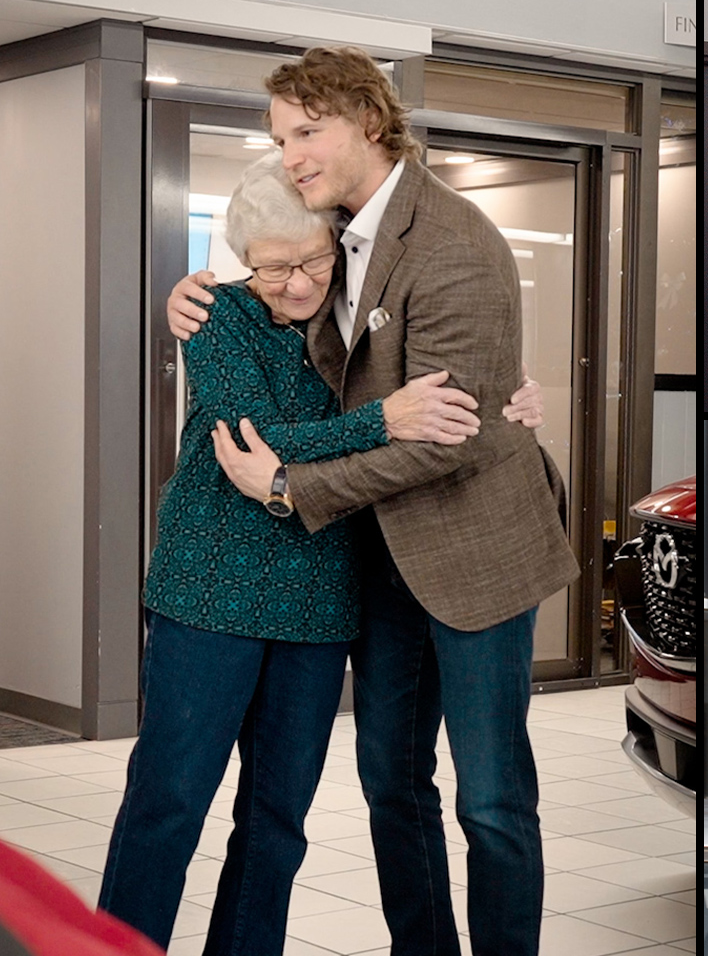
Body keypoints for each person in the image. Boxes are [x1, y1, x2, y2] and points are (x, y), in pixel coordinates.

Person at [167, 47, 579, 956]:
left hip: (476, 554)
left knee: (492, 798)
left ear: (368, 122)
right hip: (380, 561)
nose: (292, 155)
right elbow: (286, 308)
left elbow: (452, 435)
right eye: (281, 138)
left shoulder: (455, 242)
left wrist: (289, 483)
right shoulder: (333, 236)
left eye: (308, 132)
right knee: (391, 780)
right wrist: (196, 293)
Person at [99, 152, 482, 954]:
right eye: (275, 269)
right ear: (246, 261)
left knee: (277, 816)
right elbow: (253, 440)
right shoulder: (216, 315)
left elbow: (452, 385)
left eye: (311, 260)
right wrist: (385, 422)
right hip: (210, 593)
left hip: (319, 597)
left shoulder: (364, 320)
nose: (298, 284)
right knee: (169, 798)